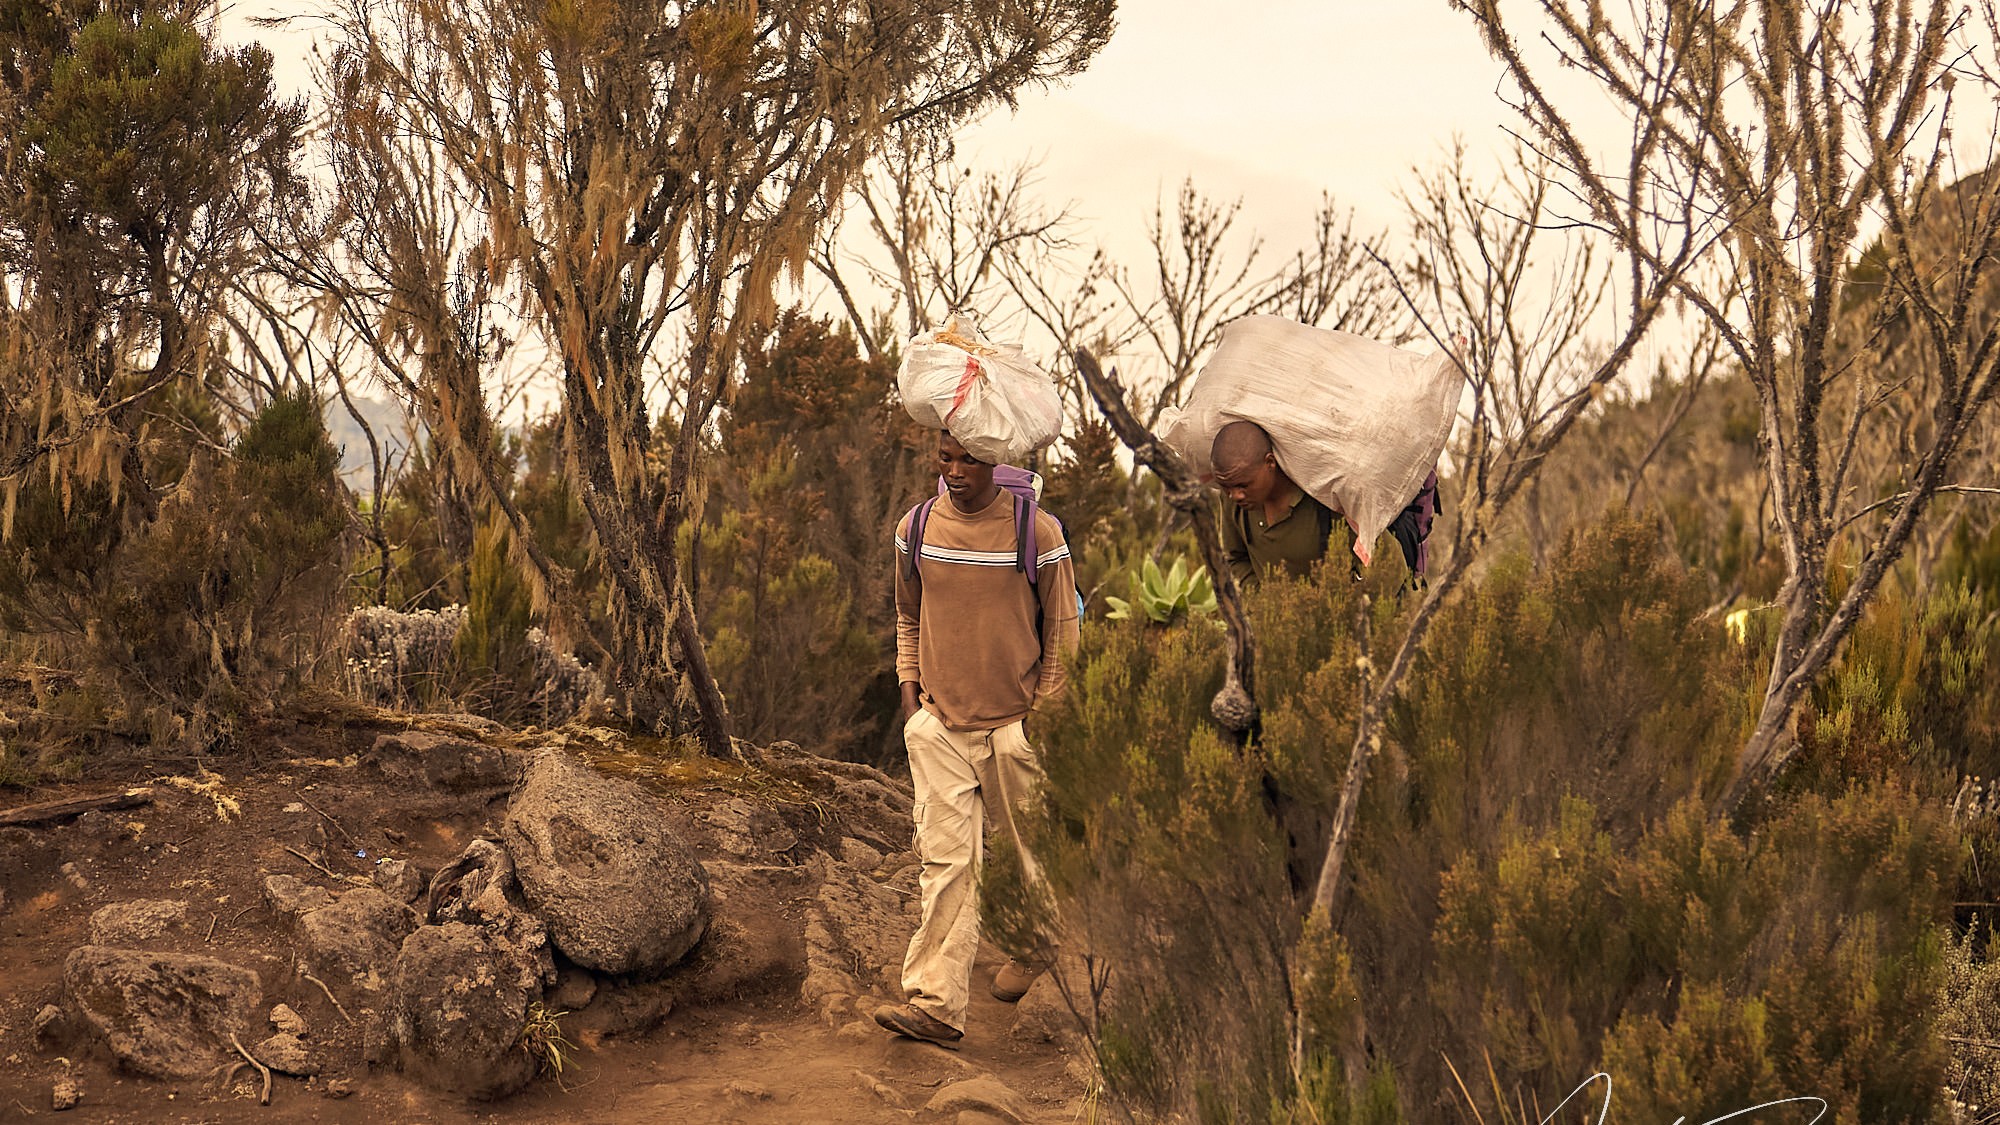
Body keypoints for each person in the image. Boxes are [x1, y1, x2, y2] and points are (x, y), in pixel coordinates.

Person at [873, 431, 1081, 1049]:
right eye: (947, 458)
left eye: (972, 459)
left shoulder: (1036, 533)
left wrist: (1036, 721)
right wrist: (912, 698)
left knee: (1026, 854)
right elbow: (906, 614)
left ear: (998, 461)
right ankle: (936, 1005)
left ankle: (1035, 948)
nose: (957, 471)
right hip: (940, 726)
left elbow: (1064, 632)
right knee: (947, 864)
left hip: (1014, 726)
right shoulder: (916, 529)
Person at [1210, 420, 1437, 589]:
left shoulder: (1327, 496)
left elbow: (1390, 566)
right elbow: (1236, 559)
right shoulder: (1234, 502)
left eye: (1243, 485)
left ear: (1270, 462)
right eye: (1226, 487)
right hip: (1282, 637)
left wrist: (1337, 614)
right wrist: (1268, 607)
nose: (1235, 495)